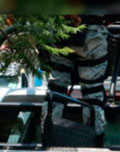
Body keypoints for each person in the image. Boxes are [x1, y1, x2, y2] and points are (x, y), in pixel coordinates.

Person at [40, 15, 110, 143]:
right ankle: (95, 141)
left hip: (59, 33)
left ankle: (47, 136)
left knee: (55, 89)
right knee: (93, 92)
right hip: (91, 34)